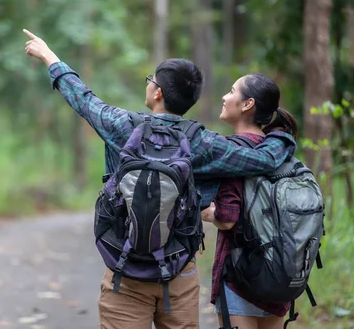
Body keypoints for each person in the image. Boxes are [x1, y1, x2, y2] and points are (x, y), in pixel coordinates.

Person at [23, 29, 296, 329]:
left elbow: (83, 99)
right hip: (179, 274)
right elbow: (263, 159)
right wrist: (281, 135)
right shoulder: (202, 143)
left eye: (150, 80)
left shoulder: (122, 127)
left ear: (157, 93)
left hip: (124, 274)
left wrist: (50, 57)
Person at [202, 73, 297, 329]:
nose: (225, 96)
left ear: (248, 104)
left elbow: (227, 220)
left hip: (239, 277)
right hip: (279, 274)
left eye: (232, 91)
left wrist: (207, 212)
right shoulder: (279, 150)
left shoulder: (233, 152)